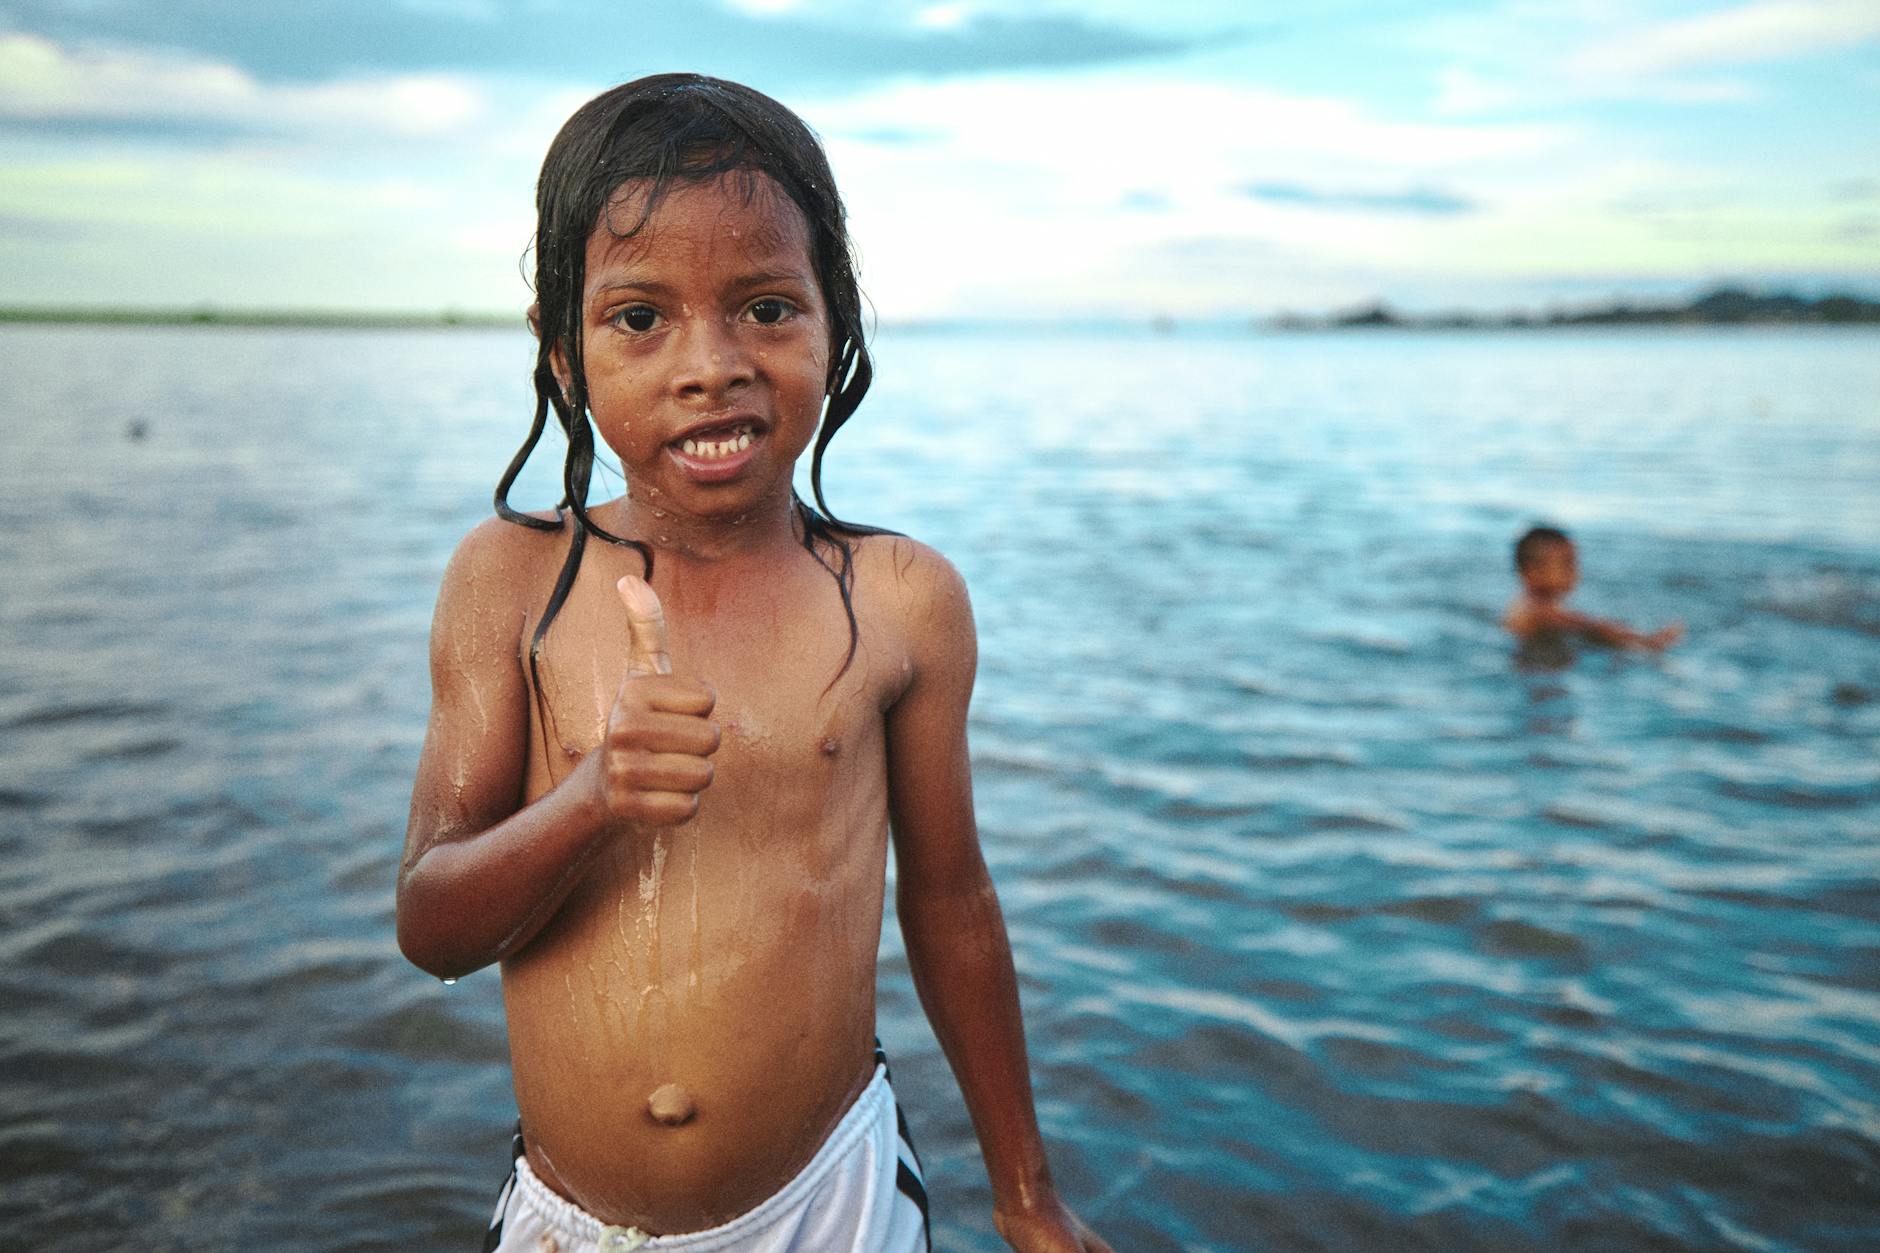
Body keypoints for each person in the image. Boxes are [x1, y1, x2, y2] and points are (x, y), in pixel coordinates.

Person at [395, 74, 1110, 1253]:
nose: (710, 364)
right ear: (563, 354)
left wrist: (1024, 1190)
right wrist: (591, 799)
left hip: (833, 1199)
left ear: (838, 322)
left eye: (767, 307)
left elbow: (949, 901)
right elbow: (431, 924)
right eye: (640, 318)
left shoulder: (898, 598)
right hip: (569, 1219)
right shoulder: (510, 579)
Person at [1503, 525, 1683, 649]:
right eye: (1568, 564)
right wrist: (1647, 640)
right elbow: (1591, 626)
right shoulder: (1539, 609)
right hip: (1537, 667)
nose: (1575, 572)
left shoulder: (1526, 604)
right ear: (1532, 572)